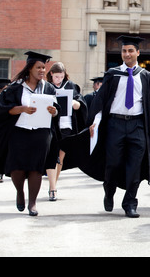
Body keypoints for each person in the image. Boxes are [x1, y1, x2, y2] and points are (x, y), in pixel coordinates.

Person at [61, 35, 150, 218]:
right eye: (124, 51)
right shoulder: (112, 74)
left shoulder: (146, 76)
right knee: (112, 163)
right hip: (115, 124)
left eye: (130, 50)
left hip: (138, 125)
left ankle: (130, 203)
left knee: (135, 166)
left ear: (138, 52)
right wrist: (95, 123)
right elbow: (101, 101)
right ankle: (109, 191)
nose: (127, 54)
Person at [0, 52, 59, 216]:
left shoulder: (48, 87)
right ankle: (20, 192)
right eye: (38, 67)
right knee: (17, 169)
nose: (42, 70)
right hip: (19, 133)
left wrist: (54, 111)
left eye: (43, 67)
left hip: (41, 133)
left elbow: (57, 110)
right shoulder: (16, 87)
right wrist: (22, 109)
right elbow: (3, 109)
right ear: (30, 68)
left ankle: (32, 203)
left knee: (36, 169)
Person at [45, 62, 87, 201]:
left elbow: (80, 103)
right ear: (51, 74)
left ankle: (53, 186)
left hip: (66, 126)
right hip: (51, 126)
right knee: (52, 156)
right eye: (56, 77)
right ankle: (52, 188)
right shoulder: (46, 87)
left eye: (61, 77)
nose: (59, 80)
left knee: (60, 158)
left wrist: (75, 104)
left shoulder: (70, 86)